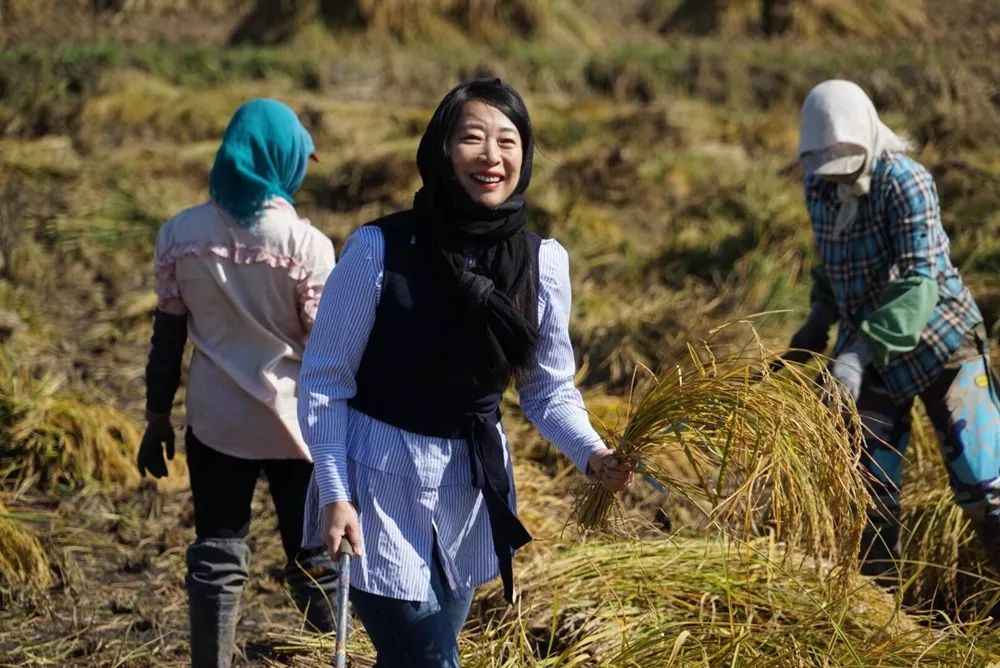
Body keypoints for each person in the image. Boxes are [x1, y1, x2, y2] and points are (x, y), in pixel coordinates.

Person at [297, 78, 634, 667]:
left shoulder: (542, 263)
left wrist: (594, 455)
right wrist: (334, 491)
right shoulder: (379, 249)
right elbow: (325, 381)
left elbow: (547, 389)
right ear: (441, 151)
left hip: (468, 486)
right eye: (472, 138)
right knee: (431, 660)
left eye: (508, 140)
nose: (492, 156)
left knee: (422, 655)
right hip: (375, 478)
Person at [137, 98, 338, 667]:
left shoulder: (181, 234)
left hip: (217, 420)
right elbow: (327, 349)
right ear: (284, 161)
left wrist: (156, 417)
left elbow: (168, 336)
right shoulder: (306, 246)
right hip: (297, 426)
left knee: (217, 555)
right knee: (315, 559)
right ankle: (326, 654)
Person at [789, 79, 1000, 580]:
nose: (837, 175)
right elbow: (829, 260)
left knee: (983, 481)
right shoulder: (819, 184)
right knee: (867, 488)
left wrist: (858, 354)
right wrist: (819, 319)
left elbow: (917, 279)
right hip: (866, 352)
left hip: (941, 343)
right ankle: (879, 610)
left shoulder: (904, 181)